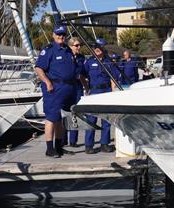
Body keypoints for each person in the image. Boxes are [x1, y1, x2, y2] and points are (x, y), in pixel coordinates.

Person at [34, 25, 75, 157]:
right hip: (54, 88)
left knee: (59, 119)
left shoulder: (68, 50)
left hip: (67, 88)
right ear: (53, 35)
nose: (61, 36)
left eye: (63, 34)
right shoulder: (49, 50)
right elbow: (39, 68)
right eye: (58, 34)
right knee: (51, 117)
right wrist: (47, 82)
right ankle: (49, 148)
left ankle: (59, 147)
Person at [83, 38, 117, 153]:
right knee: (91, 120)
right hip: (94, 92)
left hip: (106, 91)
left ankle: (104, 144)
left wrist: (113, 93)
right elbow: (82, 76)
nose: (96, 49)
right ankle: (89, 146)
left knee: (106, 120)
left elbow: (113, 78)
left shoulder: (109, 62)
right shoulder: (88, 62)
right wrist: (87, 89)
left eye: (99, 46)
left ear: (103, 48)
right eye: (95, 47)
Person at [66, 37, 88, 147]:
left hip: (77, 87)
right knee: (65, 113)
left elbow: (82, 75)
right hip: (66, 86)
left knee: (76, 113)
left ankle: (73, 141)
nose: (79, 47)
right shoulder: (66, 56)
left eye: (80, 45)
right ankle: (62, 140)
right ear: (70, 46)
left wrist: (87, 88)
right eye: (76, 45)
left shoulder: (81, 57)